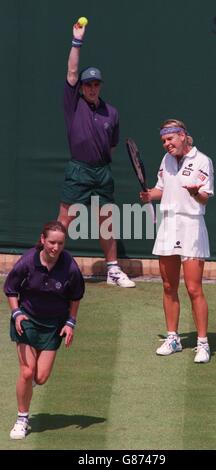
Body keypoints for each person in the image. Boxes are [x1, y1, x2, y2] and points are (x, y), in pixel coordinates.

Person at [57, 21, 135, 288]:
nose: (91, 88)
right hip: (78, 169)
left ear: (100, 86)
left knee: (106, 222)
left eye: (95, 84)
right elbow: (71, 71)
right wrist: (76, 41)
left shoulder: (111, 112)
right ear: (81, 87)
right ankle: (44, 264)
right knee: (63, 221)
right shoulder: (73, 104)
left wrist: (99, 160)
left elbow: (111, 145)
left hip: (102, 171)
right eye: (87, 84)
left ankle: (112, 270)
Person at [140, 119, 214, 363]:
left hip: (191, 225)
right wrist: (150, 194)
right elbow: (162, 189)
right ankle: (173, 338)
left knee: (194, 288)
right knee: (168, 286)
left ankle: (203, 343)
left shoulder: (203, 161)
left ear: (182, 136)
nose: (166, 144)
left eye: (170, 139)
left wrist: (195, 191)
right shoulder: (166, 160)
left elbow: (204, 198)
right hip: (168, 224)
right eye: (163, 141)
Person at [3, 221, 85, 439]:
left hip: (54, 325)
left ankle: (28, 388)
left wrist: (70, 323)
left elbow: (75, 297)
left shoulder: (70, 267)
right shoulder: (28, 261)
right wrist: (16, 313)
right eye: (51, 242)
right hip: (27, 320)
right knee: (27, 371)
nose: (55, 248)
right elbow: (11, 289)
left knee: (40, 377)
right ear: (42, 240)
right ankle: (22, 419)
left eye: (60, 243)